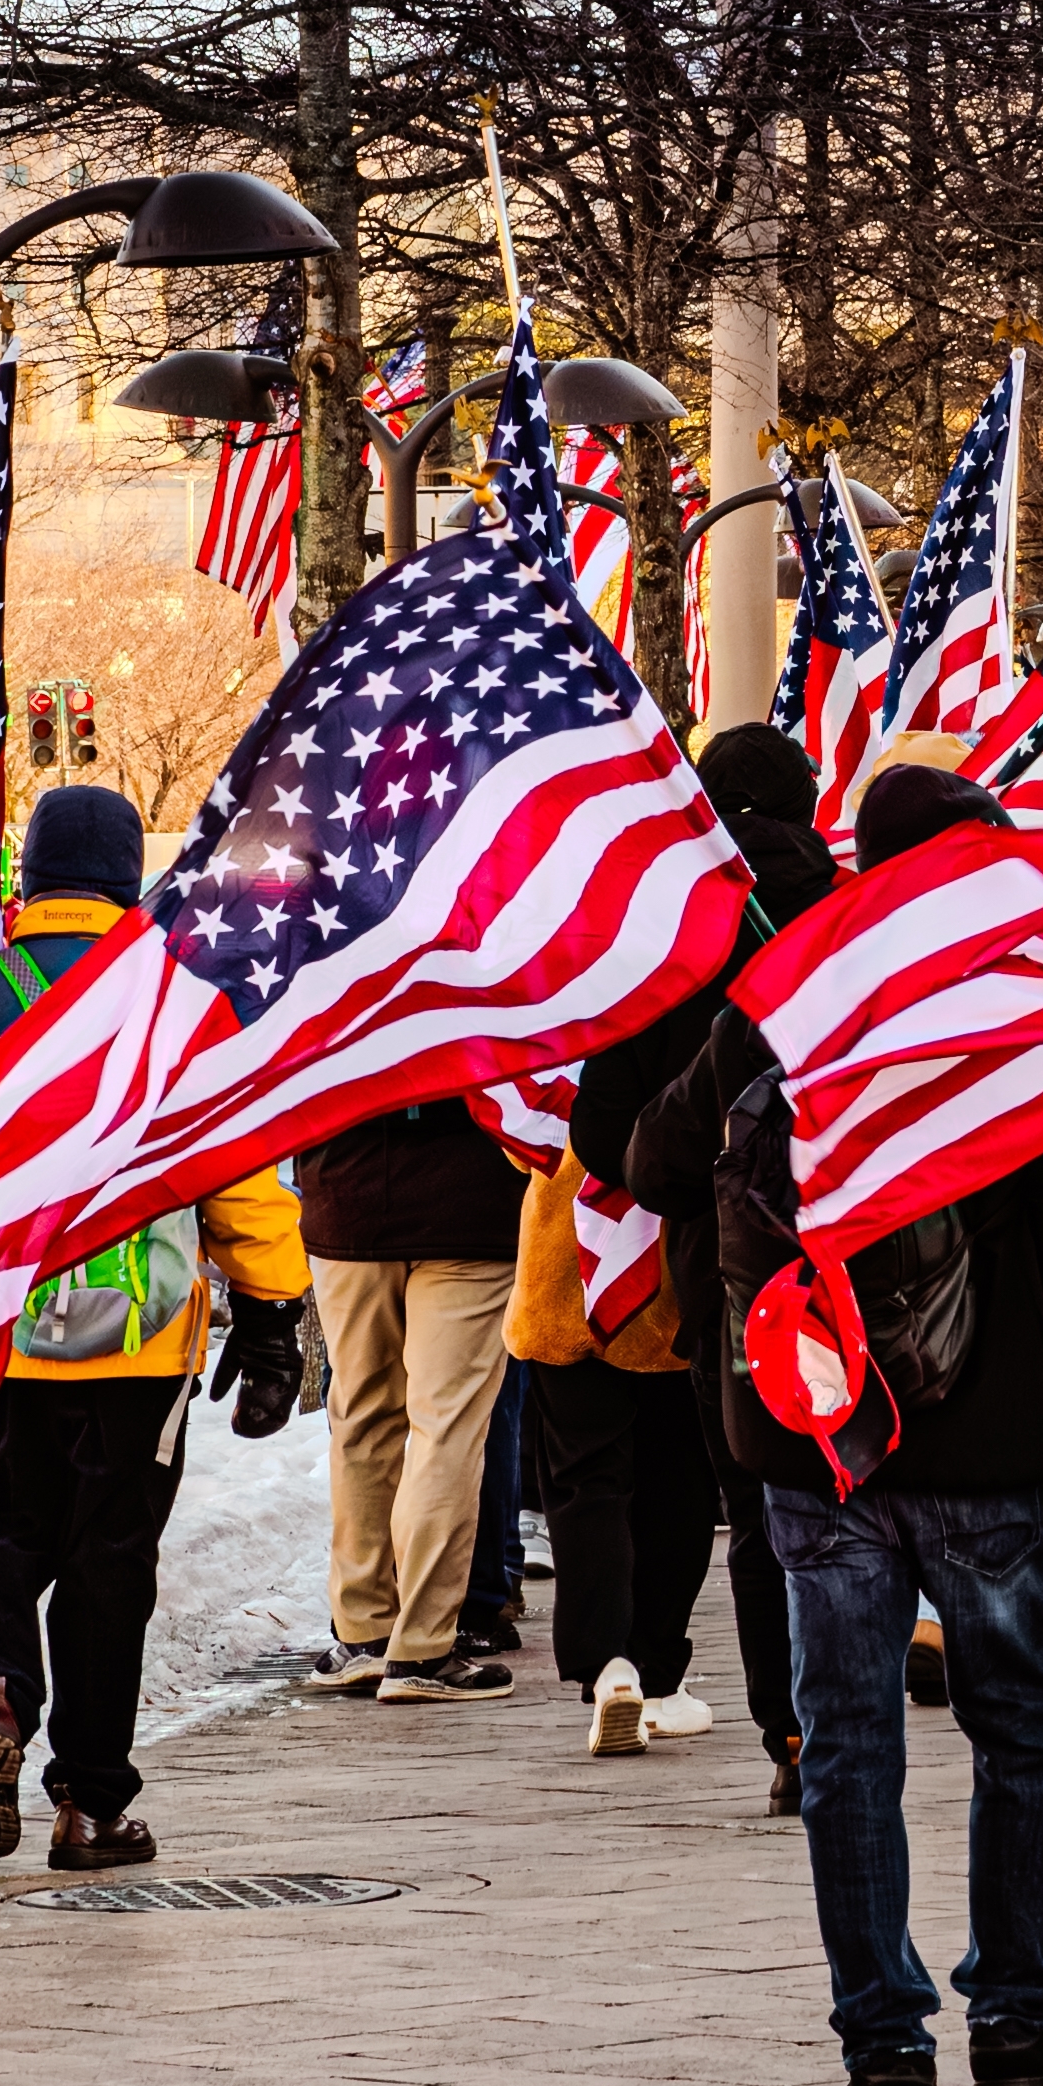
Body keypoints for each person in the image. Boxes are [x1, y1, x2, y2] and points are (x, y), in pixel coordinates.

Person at [717, 758, 1043, 2086]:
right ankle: (1013, 2018)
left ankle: (882, 2041)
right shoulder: (1023, 1015)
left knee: (851, 1746)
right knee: (1018, 1733)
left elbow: (671, 1165)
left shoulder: (789, 994)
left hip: (823, 1440)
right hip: (992, 1440)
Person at [0, 779, 309, 1873]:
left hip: (0, 1333)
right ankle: (91, 1807)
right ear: (125, 883)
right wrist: (274, 1312)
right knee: (112, 1565)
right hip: (142, 1341)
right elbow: (239, 1178)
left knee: (4, 1527)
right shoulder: (178, 1009)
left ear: (32, 881)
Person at [569, 718, 839, 1813]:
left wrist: (681, 1163)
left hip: (721, 1265)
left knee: (761, 1501)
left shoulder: (667, 937)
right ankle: (854, 1702)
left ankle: (792, 1732)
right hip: (863, 1253)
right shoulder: (860, 916)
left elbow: (602, 1136)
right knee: (856, 1494)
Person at [295, 1077, 530, 1706]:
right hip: (471, 1201)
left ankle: (363, 1633)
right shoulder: (484, 971)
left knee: (361, 1416)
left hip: (345, 1191)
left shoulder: (318, 971)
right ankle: (423, 1644)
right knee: (446, 1427)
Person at [510, 1151, 717, 1751]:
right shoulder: (682, 1053)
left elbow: (517, 1135)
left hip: (562, 1269)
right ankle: (656, 1674)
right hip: (665, 1277)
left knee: (584, 1481)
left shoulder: (554, 1057)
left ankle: (607, 1665)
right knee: (677, 1478)